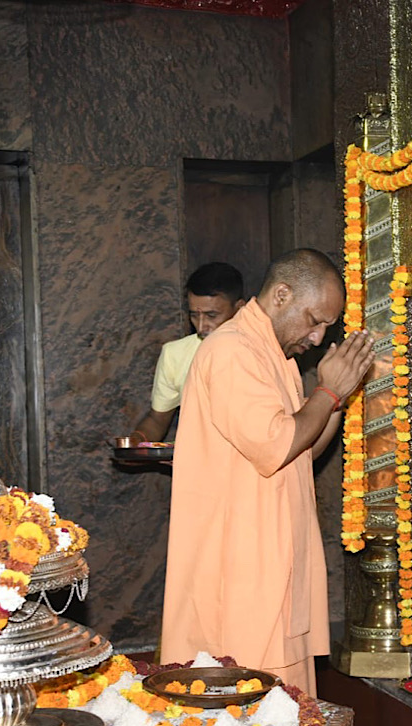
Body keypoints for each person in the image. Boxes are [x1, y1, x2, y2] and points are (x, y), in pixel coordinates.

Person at [161, 248, 373, 695]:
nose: (317, 338)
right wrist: (329, 391)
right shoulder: (232, 351)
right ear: (281, 295)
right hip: (240, 571)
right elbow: (278, 444)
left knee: (284, 714)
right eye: (314, 320)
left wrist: (335, 396)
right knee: (249, 718)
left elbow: (303, 450)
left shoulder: (275, 357)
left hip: (273, 561)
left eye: (326, 328)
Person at [131, 263, 245, 444]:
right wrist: (137, 443)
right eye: (194, 315)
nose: (201, 327)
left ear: (239, 309)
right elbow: (157, 420)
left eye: (212, 315)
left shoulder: (262, 353)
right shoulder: (174, 354)